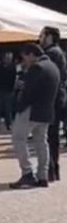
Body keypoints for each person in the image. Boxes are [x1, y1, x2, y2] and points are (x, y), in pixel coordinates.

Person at [9, 42, 60, 189]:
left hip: (31, 110)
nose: (24, 60)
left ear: (31, 54)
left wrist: (19, 107)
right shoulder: (53, 66)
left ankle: (27, 172)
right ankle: (43, 175)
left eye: (25, 57)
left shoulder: (36, 68)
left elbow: (28, 93)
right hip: (46, 110)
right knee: (41, 142)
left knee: (18, 138)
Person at [39, 27, 66, 182]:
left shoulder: (51, 54)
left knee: (49, 136)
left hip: (51, 100)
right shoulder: (57, 52)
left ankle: (50, 170)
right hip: (57, 98)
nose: (40, 38)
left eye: (42, 35)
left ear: (49, 37)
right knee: (51, 136)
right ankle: (53, 170)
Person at [0, 52, 17, 131]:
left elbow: (13, 78)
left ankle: (9, 124)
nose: (8, 59)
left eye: (9, 58)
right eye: (6, 58)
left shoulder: (12, 67)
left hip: (8, 90)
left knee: (8, 109)